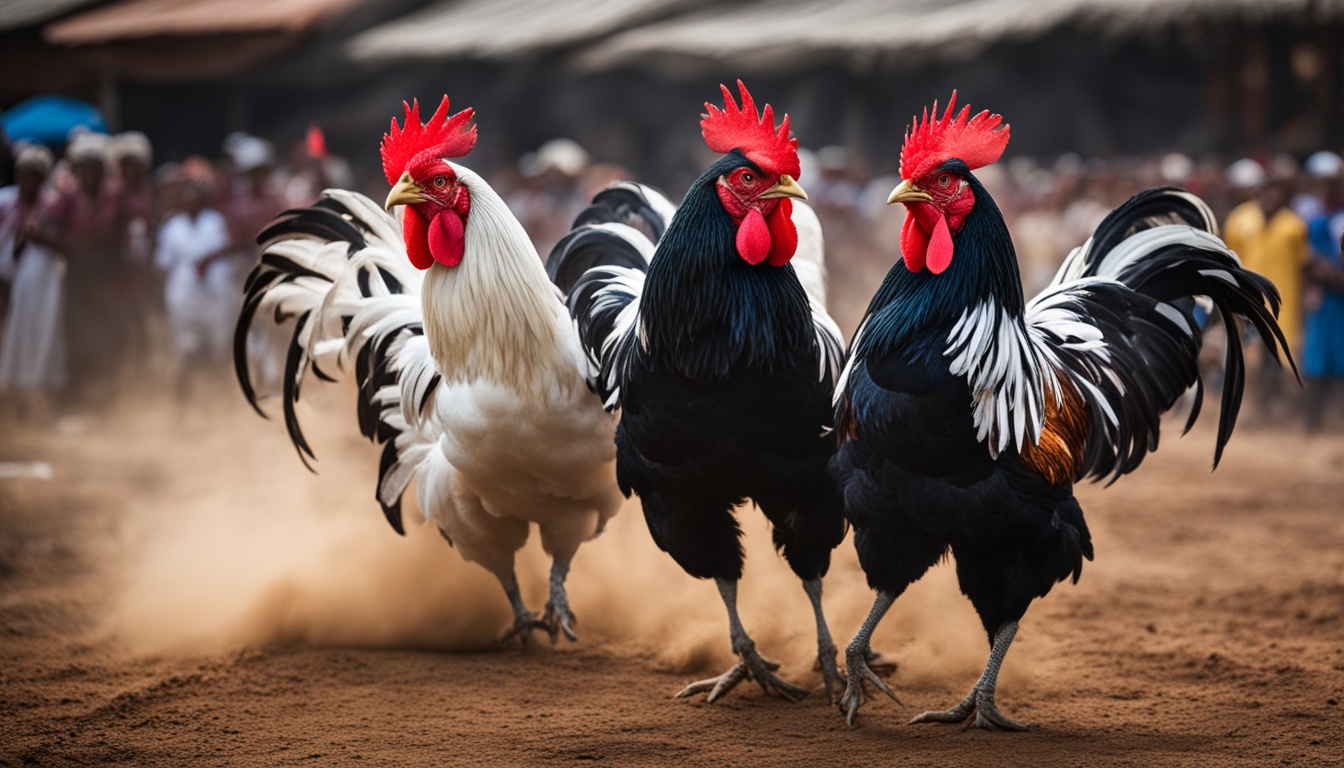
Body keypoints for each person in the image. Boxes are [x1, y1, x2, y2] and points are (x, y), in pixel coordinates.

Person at [26, 131, 120, 408]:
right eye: (85, 166)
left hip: (107, 278)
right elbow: (36, 229)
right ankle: (76, 400)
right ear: (77, 170)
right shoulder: (66, 198)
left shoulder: (113, 198)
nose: (90, 173)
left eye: (96, 166)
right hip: (77, 279)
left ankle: (106, 401)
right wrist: (68, 248)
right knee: (77, 338)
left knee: (107, 337)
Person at [1223, 158, 1309, 420]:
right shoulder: (1240, 220)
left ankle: (1292, 418)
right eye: (1265, 190)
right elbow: (1229, 260)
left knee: (1288, 360)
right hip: (1249, 303)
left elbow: (1303, 266)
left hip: (1287, 305)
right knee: (1251, 361)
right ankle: (1253, 413)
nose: (1270, 195)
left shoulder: (1294, 225)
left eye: (1276, 190)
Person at [0, 145, 65, 422]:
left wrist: (37, 237)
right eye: (23, 175)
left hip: (38, 287)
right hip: (6, 281)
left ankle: (35, 403)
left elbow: (64, 245)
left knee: (37, 339)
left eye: (35, 175)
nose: (28, 181)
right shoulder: (4, 201)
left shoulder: (53, 205)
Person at [153, 178, 231, 401]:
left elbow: (226, 249)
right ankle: (182, 405)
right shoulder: (172, 227)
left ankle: (222, 401)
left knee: (219, 348)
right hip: (183, 297)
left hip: (215, 296)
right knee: (185, 351)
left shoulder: (216, 222)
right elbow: (163, 263)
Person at [1302, 171, 1344, 431]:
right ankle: (1312, 425)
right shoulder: (1318, 221)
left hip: (1337, 300)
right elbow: (1310, 260)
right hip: (1327, 301)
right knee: (1317, 361)